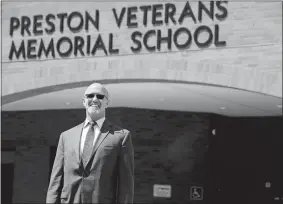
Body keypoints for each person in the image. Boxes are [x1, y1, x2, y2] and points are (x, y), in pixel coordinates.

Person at [46, 83, 135, 204]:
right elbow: (56, 180)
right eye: (90, 96)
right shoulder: (66, 137)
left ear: (107, 102)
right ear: (84, 101)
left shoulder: (121, 136)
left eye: (100, 96)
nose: (94, 99)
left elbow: (126, 184)